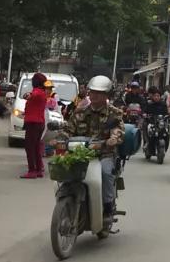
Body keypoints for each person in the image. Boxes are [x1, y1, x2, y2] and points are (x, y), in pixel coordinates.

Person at [60, 75, 124, 225]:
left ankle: (108, 207)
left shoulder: (114, 113)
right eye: (92, 92)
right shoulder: (79, 112)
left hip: (104, 154)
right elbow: (69, 130)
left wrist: (113, 138)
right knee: (64, 170)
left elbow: (118, 130)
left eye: (99, 93)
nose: (94, 95)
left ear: (106, 95)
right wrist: (60, 138)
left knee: (106, 173)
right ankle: (65, 200)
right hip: (80, 154)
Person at [20, 72, 49, 179]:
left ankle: (32, 170)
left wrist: (28, 95)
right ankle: (38, 170)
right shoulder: (43, 92)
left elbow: (32, 95)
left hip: (33, 123)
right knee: (36, 147)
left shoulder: (37, 92)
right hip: (39, 122)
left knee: (30, 147)